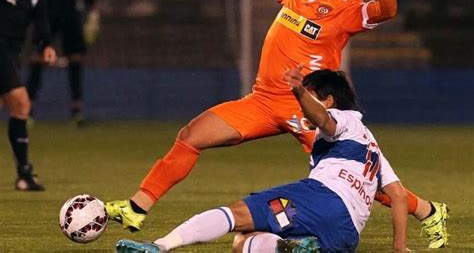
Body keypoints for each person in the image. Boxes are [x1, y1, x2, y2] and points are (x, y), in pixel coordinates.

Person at [105, 0, 448, 248]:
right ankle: (138, 206)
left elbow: (387, 9)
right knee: (191, 135)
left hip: (307, 109)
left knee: (357, 172)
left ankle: (428, 212)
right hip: (261, 101)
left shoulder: (347, 11)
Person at [114, 68, 410, 252]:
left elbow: (322, 118)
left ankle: (158, 247)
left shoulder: (340, 120)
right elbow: (397, 196)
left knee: (237, 214)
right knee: (244, 242)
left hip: (320, 200)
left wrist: (297, 88)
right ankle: (294, 248)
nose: (300, 106)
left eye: (307, 97)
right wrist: (399, 248)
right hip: (344, 235)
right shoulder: (371, 144)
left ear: (329, 100)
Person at [0, 0, 56, 190]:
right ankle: (24, 173)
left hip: (13, 49)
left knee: (15, 107)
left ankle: (23, 174)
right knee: (21, 103)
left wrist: (45, 43)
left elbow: (40, 13)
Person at [26, 0, 98, 126]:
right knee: (38, 59)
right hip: (46, 14)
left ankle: (77, 111)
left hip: (70, 13)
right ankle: (27, 109)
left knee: (75, 59)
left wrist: (92, 10)